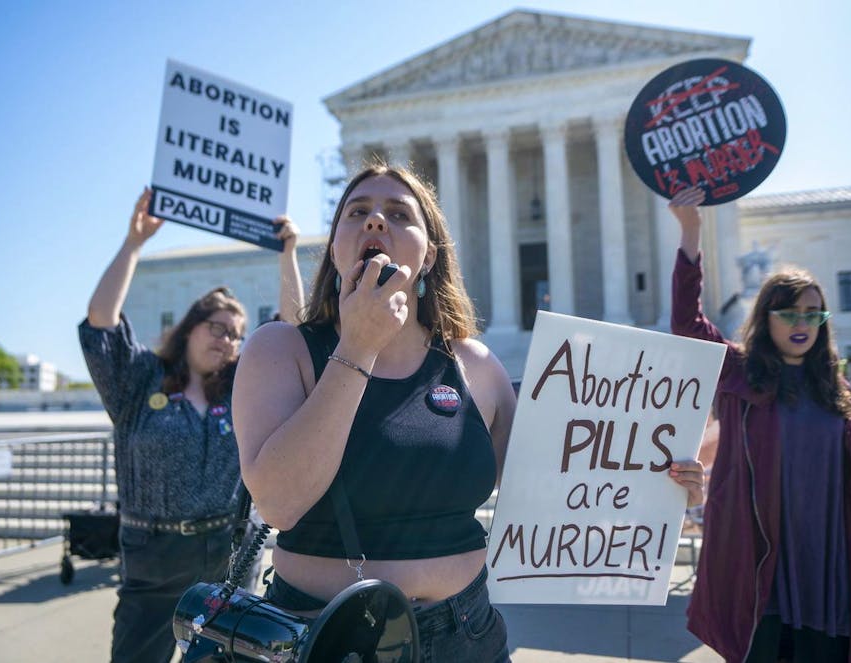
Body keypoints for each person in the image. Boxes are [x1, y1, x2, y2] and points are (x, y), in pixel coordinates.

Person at [232, 163, 706, 662]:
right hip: (329, 635)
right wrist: (357, 347)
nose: (375, 221)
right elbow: (281, 504)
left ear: (430, 255)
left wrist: (662, 479)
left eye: (398, 213)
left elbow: (557, 486)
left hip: (467, 633)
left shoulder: (475, 364)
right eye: (357, 212)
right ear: (334, 249)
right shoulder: (281, 349)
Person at [667, 185, 851, 663]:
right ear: (768, 318)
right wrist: (691, 231)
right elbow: (687, 325)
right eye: (789, 313)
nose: (802, 323)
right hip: (764, 573)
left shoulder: (838, 392)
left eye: (812, 313)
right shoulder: (742, 374)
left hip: (831, 572)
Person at [79, 187, 303, 663]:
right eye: (219, 328)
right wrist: (134, 243)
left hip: (228, 556)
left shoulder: (244, 386)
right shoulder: (139, 380)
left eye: (238, 335)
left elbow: (294, 332)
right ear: (190, 327)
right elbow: (101, 321)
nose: (229, 341)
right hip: (152, 562)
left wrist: (287, 255)